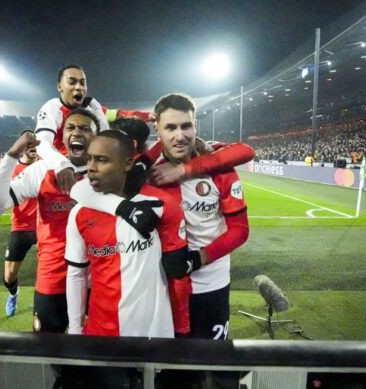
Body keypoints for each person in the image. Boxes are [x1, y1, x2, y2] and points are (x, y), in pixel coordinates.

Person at [70, 93, 250, 340]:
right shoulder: (144, 170)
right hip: (163, 290)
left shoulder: (218, 167)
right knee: (170, 370)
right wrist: (124, 208)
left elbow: (240, 230)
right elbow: (80, 190)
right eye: (170, 127)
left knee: (213, 368)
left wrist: (198, 258)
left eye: (186, 126)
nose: (180, 135)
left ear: (196, 125)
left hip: (211, 284)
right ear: (158, 129)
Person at [0, 109, 161, 333]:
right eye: (70, 127)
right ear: (63, 134)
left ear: (97, 137)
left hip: (101, 281)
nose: (77, 132)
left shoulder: (111, 171)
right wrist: (11, 155)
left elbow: (149, 157)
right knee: (50, 352)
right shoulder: (42, 170)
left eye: (85, 128)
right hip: (53, 278)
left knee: (98, 353)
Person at [66, 130, 200, 338]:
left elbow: (177, 275)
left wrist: (182, 328)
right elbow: (76, 275)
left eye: (102, 160)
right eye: (90, 158)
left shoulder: (160, 205)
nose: (91, 167)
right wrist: (75, 332)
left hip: (155, 333)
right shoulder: (78, 213)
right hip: (101, 333)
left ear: (128, 164)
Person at [34, 64, 153, 194]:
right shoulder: (52, 108)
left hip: (88, 172)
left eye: (82, 83)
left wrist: (148, 115)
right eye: (72, 82)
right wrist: (61, 164)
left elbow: (116, 114)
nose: (78, 87)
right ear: (59, 87)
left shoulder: (92, 109)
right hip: (59, 174)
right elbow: (41, 143)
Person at [3, 132, 39, 317]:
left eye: (36, 143)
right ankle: (13, 293)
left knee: (53, 272)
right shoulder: (12, 170)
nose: (33, 147)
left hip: (44, 227)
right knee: (9, 276)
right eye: (29, 144)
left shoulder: (45, 167)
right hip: (20, 227)